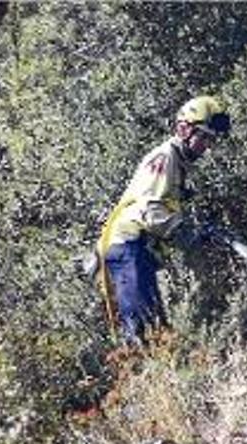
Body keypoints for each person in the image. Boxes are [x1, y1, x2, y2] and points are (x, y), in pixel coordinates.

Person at [95, 95, 231, 347]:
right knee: (145, 331)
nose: (206, 146)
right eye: (203, 137)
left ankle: (151, 368)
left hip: (138, 251)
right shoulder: (165, 157)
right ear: (184, 129)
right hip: (128, 246)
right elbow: (149, 209)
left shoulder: (179, 165)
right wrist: (184, 231)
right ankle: (143, 369)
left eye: (211, 140)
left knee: (156, 329)